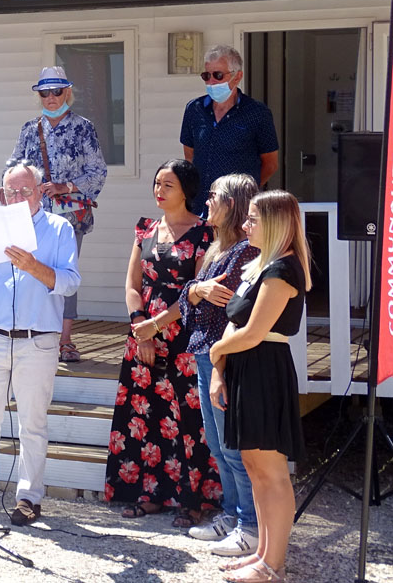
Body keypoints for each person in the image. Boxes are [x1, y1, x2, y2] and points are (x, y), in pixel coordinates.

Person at [0, 162, 80, 525]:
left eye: (24, 191)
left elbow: (70, 283)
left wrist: (34, 267)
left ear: (39, 192)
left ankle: (29, 498)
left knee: (32, 424)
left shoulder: (59, 228)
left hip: (37, 340)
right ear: (2, 194)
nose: (18, 197)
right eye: (11, 192)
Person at [105, 159, 220, 527]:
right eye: (156, 183)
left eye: (167, 184)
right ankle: (150, 493)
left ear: (186, 190)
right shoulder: (145, 229)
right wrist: (140, 324)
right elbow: (131, 284)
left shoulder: (205, 234)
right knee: (146, 412)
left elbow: (196, 293)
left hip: (184, 330)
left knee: (187, 418)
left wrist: (157, 325)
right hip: (143, 333)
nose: (159, 190)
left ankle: (192, 500)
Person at [209, 190, 310, 583]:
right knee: (254, 467)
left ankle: (274, 565)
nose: (245, 225)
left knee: (272, 472)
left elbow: (252, 333)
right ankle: (263, 555)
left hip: (265, 371)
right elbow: (237, 323)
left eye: (252, 219)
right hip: (243, 370)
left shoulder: (283, 270)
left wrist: (217, 351)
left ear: (275, 223)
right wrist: (220, 368)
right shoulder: (259, 265)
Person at [176, 174, 261, 557]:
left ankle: (250, 526)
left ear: (230, 205)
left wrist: (196, 294)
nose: (206, 202)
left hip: (222, 356)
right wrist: (196, 290)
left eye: (213, 196)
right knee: (217, 442)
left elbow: (230, 311)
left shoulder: (243, 252)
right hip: (203, 350)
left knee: (232, 446)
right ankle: (231, 515)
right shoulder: (216, 249)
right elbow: (187, 301)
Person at [7, 66, 107, 363]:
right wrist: (8, 188)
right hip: (32, 214)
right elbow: (13, 166)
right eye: (45, 92)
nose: (50, 97)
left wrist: (68, 186)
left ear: (68, 93)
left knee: (63, 273)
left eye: (57, 91)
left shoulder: (83, 127)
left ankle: (65, 340)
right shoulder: (29, 129)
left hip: (68, 216)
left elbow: (98, 170)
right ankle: (33, 332)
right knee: (28, 269)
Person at [180, 44, 279, 215]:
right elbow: (190, 157)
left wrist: (244, 193)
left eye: (218, 75)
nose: (211, 81)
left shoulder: (257, 113)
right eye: (206, 75)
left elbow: (270, 164)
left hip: (239, 211)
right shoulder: (194, 109)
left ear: (237, 76)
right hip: (200, 208)